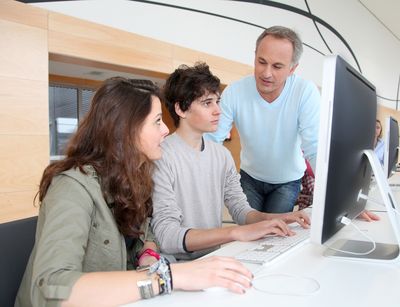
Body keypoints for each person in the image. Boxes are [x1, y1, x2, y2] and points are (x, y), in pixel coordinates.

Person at [15, 77, 254, 307]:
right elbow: (54, 286)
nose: (165, 131)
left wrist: (147, 253)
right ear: (126, 129)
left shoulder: (133, 177)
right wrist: (167, 278)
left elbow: (145, 233)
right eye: (157, 121)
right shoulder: (72, 187)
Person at [151, 63, 310, 261]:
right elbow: (167, 236)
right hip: (178, 266)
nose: (218, 110)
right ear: (180, 109)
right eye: (207, 103)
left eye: (217, 101)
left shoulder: (222, 156)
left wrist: (276, 218)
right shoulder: (162, 157)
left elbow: (241, 210)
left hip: (214, 258)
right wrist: (234, 233)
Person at [205, 26, 320, 214]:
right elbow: (212, 141)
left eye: (277, 66)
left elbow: (314, 148)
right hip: (249, 177)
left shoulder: (305, 92)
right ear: (255, 56)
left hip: (287, 181)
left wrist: (340, 198)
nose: (266, 73)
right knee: (247, 233)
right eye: (261, 62)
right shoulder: (235, 91)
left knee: (274, 235)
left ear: (292, 68)